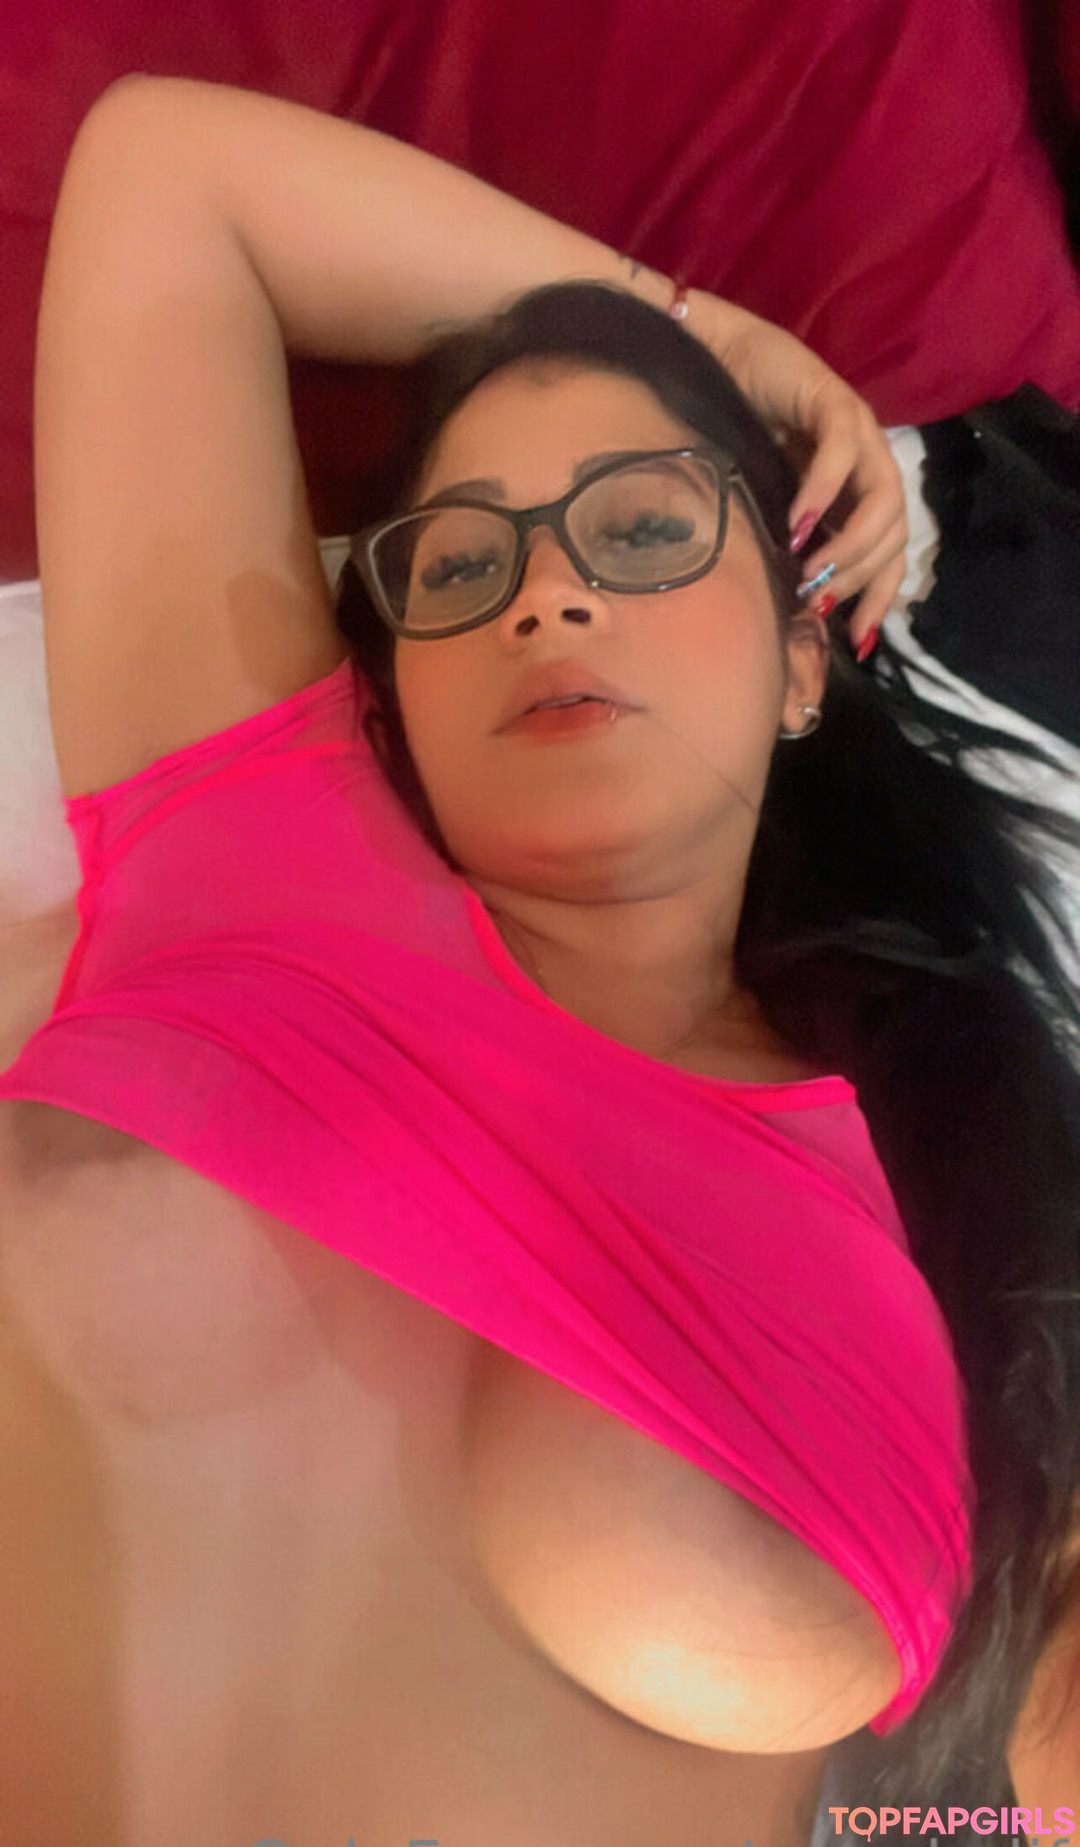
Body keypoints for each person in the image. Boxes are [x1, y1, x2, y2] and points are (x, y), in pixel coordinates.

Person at [0, 73, 1078, 1846]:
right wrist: (711, 342)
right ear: (391, 704)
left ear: (800, 665)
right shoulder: (253, 848)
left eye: (645, 529)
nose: (546, 595)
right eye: (461, 564)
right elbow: (170, 175)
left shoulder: (987, 1220)